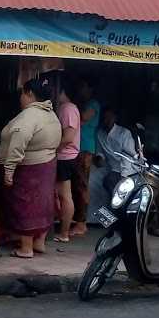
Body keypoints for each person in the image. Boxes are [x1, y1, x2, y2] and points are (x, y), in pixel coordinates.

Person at [0, 78, 62, 258]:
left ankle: (26, 248)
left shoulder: (29, 115)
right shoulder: (51, 114)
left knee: (25, 204)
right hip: (47, 165)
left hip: (29, 168)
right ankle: (39, 242)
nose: (20, 98)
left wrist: (9, 170)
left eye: (22, 94)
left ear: (30, 94)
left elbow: (19, 141)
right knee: (43, 204)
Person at [71, 77, 101, 237]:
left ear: (90, 89)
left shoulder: (93, 104)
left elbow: (82, 119)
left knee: (82, 185)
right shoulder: (85, 103)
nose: (80, 90)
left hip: (85, 149)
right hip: (78, 148)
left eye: (83, 87)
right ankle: (78, 220)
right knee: (77, 185)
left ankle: (81, 223)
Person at [55, 76, 81, 243]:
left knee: (65, 195)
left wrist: (53, 149)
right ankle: (62, 230)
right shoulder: (67, 108)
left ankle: (64, 233)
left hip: (65, 157)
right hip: (67, 156)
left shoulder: (67, 108)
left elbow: (68, 136)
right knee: (63, 195)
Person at [96, 107, 138, 195]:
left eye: (110, 117)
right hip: (110, 167)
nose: (107, 120)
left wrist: (123, 176)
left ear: (115, 118)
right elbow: (100, 152)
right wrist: (100, 158)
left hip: (127, 171)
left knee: (111, 183)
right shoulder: (100, 133)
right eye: (105, 118)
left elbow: (130, 156)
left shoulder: (124, 133)